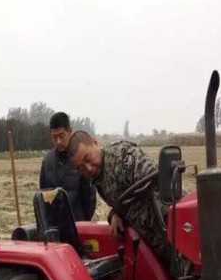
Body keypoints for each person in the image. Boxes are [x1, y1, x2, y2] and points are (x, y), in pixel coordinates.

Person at [67, 131, 172, 263]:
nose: (88, 168)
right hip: (157, 243)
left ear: (95, 143)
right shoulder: (100, 180)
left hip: (173, 231)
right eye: (81, 168)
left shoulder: (121, 156)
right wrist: (115, 214)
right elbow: (125, 200)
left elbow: (157, 180)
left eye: (88, 158)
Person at [39, 112, 96, 221]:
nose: (58, 142)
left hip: (77, 225)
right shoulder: (47, 161)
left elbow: (89, 198)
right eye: (54, 137)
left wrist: (83, 222)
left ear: (70, 132)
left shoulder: (81, 159)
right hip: (54, 226)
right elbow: (43, 195)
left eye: (61, 136)